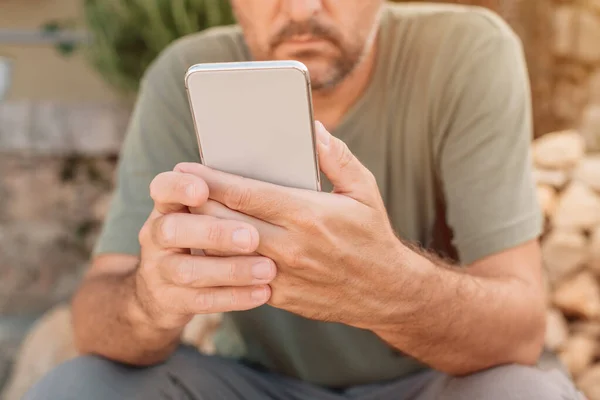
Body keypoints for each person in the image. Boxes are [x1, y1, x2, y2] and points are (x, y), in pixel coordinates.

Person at [26, 1, 583, 399]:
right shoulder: (182, 76)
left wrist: (389, 287)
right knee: (76, 387)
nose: (300, 7)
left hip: (437, 385)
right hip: (254, 383)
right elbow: (94, 321)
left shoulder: (466, 52)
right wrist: (150, 298)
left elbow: (521, 329)